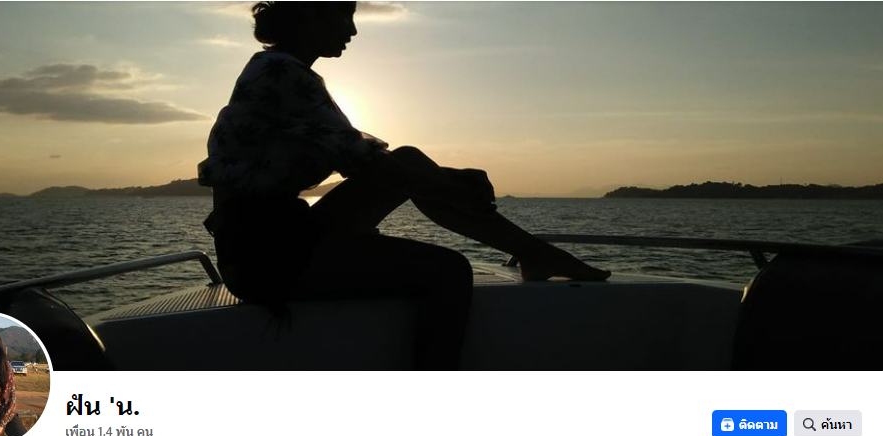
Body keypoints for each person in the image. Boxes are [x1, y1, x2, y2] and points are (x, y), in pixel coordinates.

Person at [197, 2, 610, 369]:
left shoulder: (276, 69)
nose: (352, 29)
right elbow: (371, 167)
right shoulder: (282, 74)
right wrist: (453, 186)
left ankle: (535, 254)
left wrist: (447, 180)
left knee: (408, 158)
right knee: (450, 270)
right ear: (309, 14)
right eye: (344, 14)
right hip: (267, 256)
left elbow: (370, 160)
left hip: (276, 236)